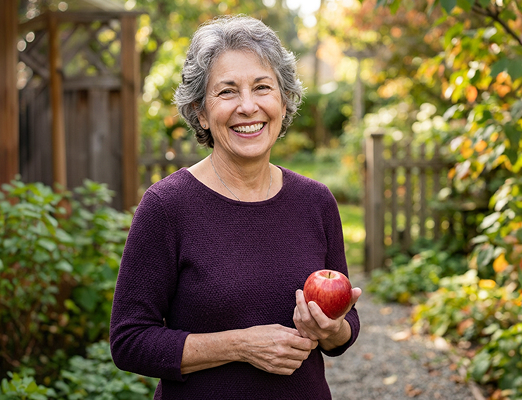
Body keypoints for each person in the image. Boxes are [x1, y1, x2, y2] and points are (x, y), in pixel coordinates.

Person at [110, 15, 361, 400]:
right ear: (201, 112)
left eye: (262, 87)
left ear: (283, 99)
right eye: (227, 92)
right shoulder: (167, 206)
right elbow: (130, 340)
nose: (248, 106)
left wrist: (333, 330)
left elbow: (344, 330)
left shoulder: (315, 201)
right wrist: (239, 346)